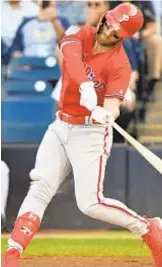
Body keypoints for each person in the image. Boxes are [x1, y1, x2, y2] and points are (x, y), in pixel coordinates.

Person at [3, 3, 162, 267]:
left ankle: (148, 228)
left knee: (90, 203)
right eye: (109, 22)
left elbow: (113, 103)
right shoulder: (80, 32)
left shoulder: (120, 64)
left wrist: (106, 113)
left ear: (124, 37)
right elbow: (71, 57)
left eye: (116, 30)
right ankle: (13, 252)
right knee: (40, 185)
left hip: (91, 132)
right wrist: (87, 85)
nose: (108, 29)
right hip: (60, 125)